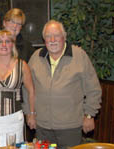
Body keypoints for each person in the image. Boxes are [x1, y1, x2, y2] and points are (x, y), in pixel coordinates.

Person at [28, 20, 102, 148]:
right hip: (42, 127)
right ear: (43, 39)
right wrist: (30, 113)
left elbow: (93, 89)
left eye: (56, 35)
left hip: (70, 128)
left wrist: (89, 115)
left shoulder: (79, 56)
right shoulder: (36, 57)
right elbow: (27, 89)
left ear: (64, 37)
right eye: (48, 36)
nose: (52, 39)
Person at [0, 30, 36, 148]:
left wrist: (32, 114)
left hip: (14, 120)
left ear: (12, 45)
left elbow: (31, 92)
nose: (4, 45)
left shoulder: (22, 65)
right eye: (0, 41)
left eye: (7, 41)